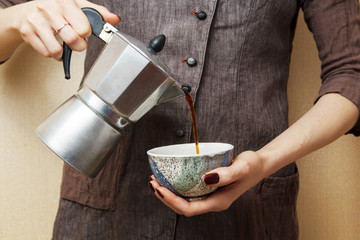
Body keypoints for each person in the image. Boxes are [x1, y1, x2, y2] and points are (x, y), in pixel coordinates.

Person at [1, 0, 359, 239]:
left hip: (249, 213)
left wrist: (264, 162)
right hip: (107, 205)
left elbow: (352, 74)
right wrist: (18, 17)